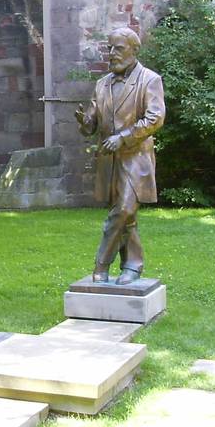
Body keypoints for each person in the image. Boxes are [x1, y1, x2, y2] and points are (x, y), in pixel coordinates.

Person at [75, 27, 165, 285]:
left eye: (119, 48)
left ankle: (101, 264)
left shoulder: (149, 80)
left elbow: (155, 118)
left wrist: (124, 137)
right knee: (127, 217)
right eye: (110, 48)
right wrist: (85, 122)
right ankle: (133, 266)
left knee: (123, 209)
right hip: (109, 161)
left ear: (134, 50)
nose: (112, 54)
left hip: (136, 158)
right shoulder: (102, 84)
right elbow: (93, 122)